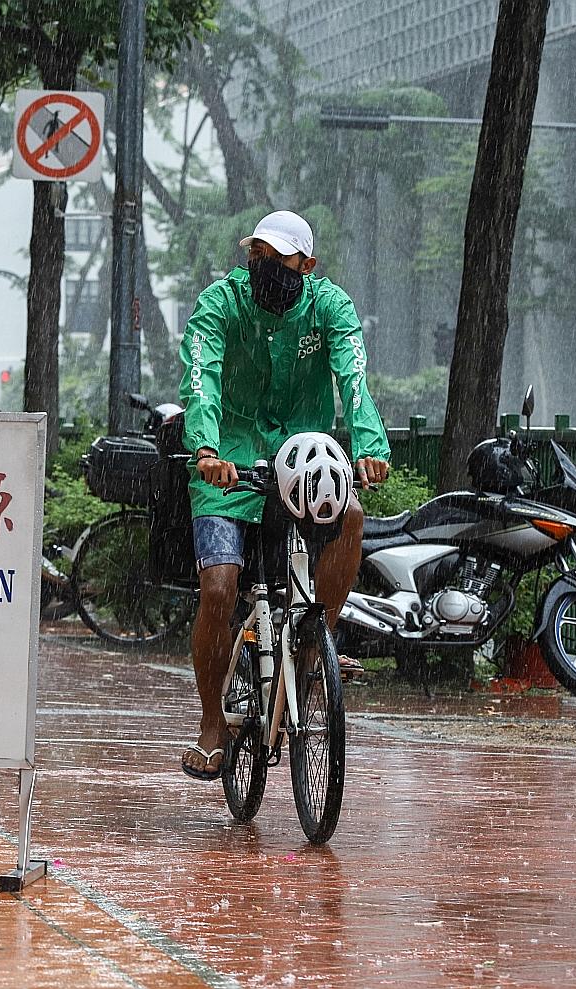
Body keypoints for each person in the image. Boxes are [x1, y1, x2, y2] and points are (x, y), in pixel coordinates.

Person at [176, 210, 391, 782]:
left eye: (280, 259)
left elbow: (354, 379)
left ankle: (319, 639)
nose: (266, 267)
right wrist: (205, 450)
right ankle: (210, 722)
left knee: (350, 517)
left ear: (307, 266)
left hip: (305, 456)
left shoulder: (331, 309)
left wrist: (370, 447)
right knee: (219, 587)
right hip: (226, 461)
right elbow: (202, 377)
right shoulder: (221, 304)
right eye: (259, 257)